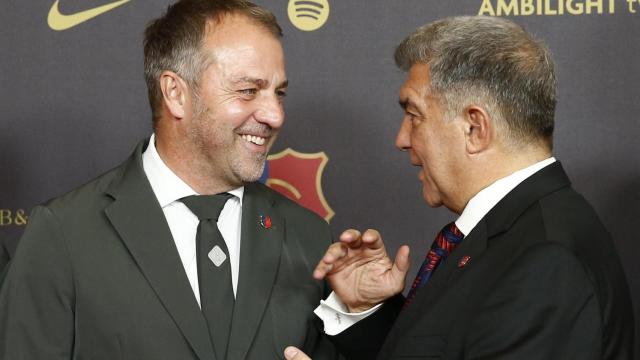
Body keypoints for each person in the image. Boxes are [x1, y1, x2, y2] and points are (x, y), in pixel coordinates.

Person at [0, 1, 338, 359]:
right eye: (248, 90)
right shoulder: (63, 235)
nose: (275, 115)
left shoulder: (308, 236)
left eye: (279, 93)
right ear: (176, 94)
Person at [285, 16, 635, 360]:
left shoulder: (545, 259)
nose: (401, 139)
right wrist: (368, 308)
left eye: (414, 115)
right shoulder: (513, 233)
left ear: (474, 128)